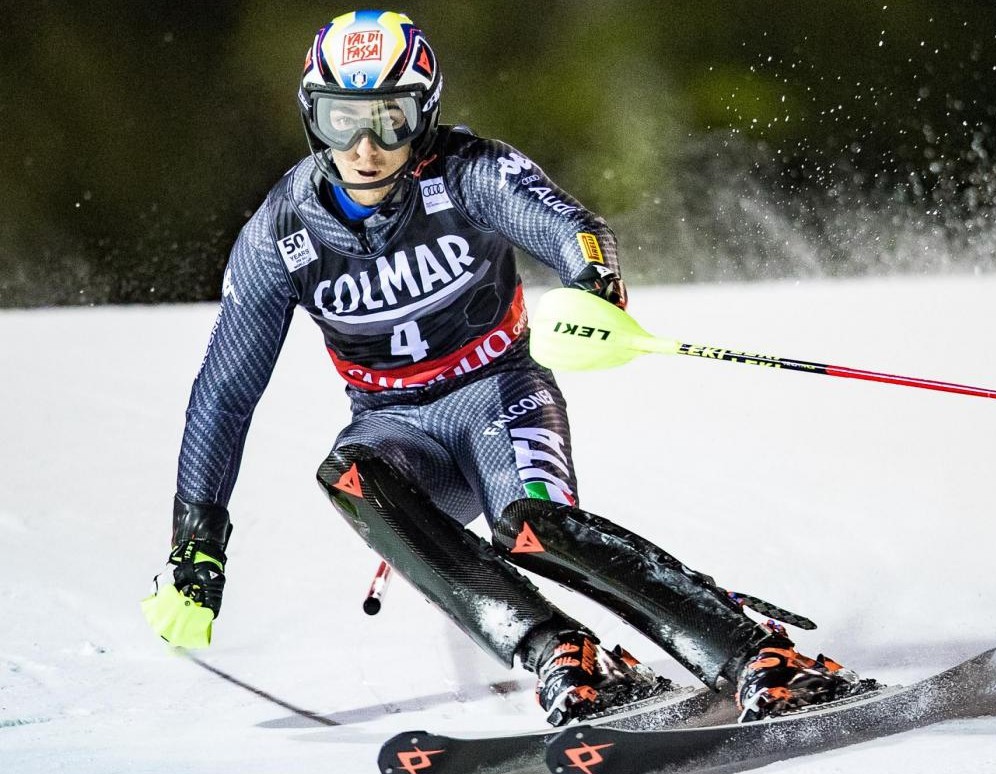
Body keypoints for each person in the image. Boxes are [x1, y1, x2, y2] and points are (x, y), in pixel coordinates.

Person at [141, 9, 860, 726]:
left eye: (390, 120)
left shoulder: (468, 173)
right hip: (402, 437)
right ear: (311, 117)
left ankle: (756, 653)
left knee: (531, 527)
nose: (364, 147)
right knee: (348, 473)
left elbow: (575, 229)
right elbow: (224, 394)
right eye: (340, 120)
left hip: (499, 397)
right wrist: (197, 542)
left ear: (424, 114)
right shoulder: (280, 236)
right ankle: (561, 652)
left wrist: (593, 288)